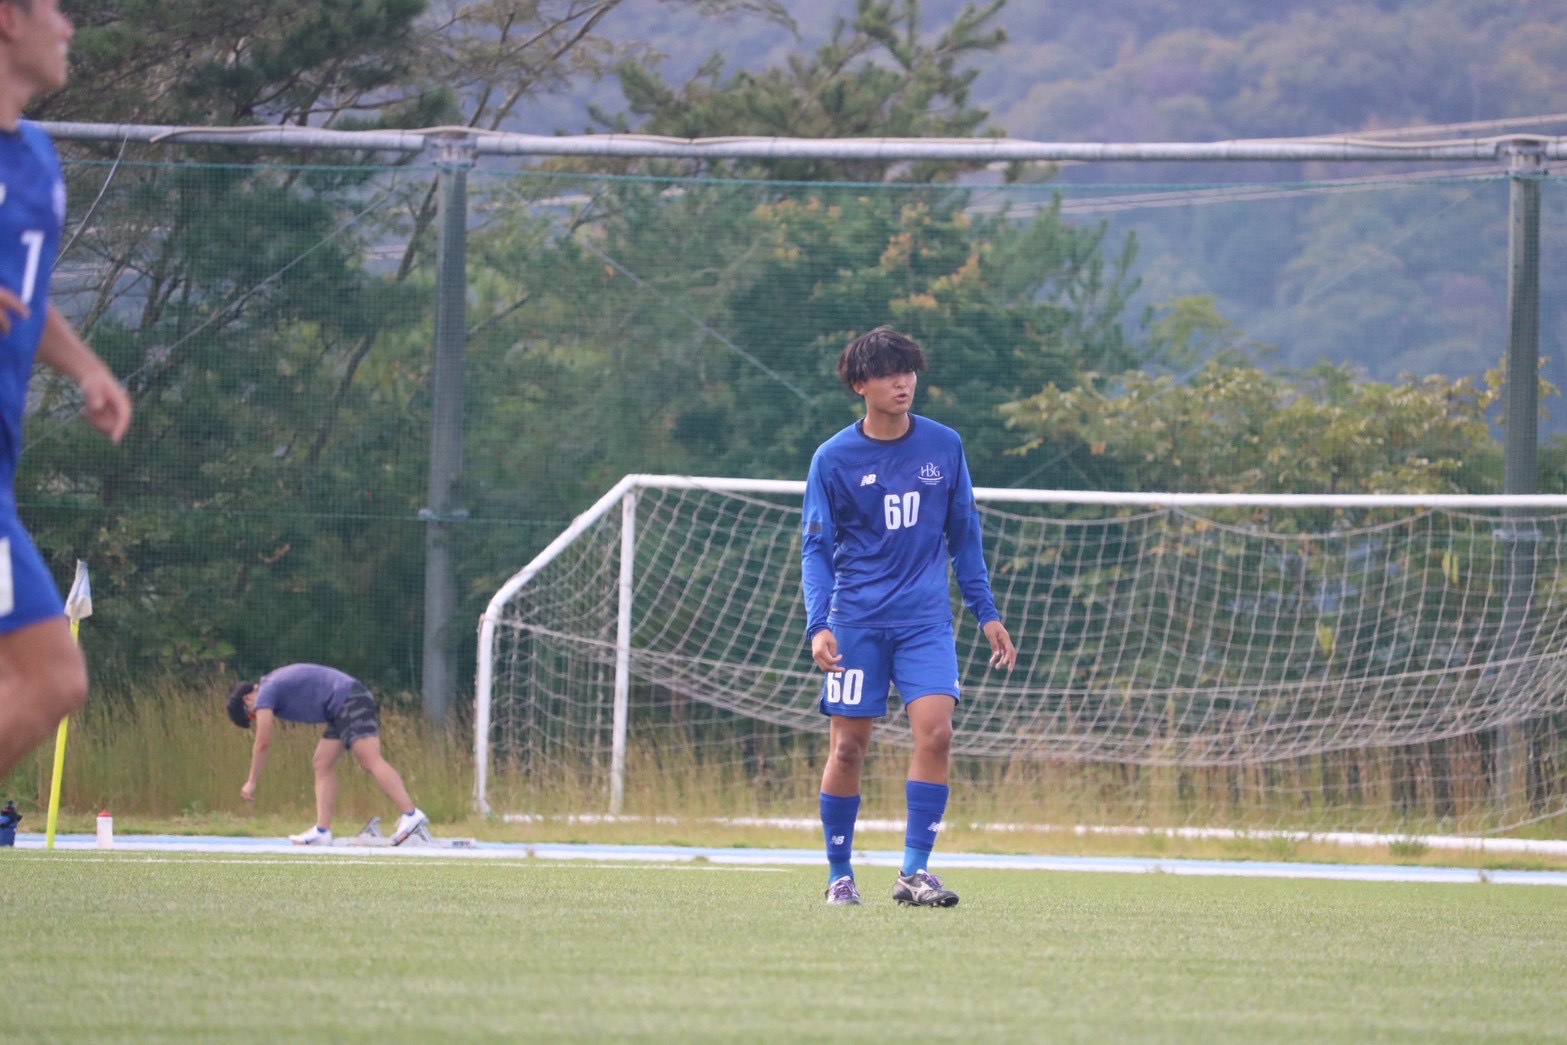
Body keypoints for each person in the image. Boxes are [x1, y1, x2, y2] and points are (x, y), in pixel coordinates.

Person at [802, 327, 1016, 908]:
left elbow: (964, 535)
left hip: (925, 623)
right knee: (848, 749)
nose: (903, 383)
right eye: (888, 374)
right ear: (859, 385)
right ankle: (840, 875)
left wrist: (987, 613)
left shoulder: (945, 446)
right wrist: (819, 624)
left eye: (909, 371)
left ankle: (914, 872)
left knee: (938, 733)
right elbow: (816, 549)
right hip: (855, 623)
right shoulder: (832, 458)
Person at [0, 0, 134, 784]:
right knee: (51, 676)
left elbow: (25, 296)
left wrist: (86, 368)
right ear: (9, 18)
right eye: (55, 8)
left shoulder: (37, 160)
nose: (69, 28)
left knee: (44, 678)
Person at [226, 663, 429, 846]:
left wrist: (252, 780)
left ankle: (411, 815)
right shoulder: (270, 686)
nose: (257, 716)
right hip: (339, 707)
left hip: (349, 700)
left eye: (251, 714)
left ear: (247, 698)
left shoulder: (265, 691)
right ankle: (322, 831)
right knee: (322, 762)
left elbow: (263, 743)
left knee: (370, 759)